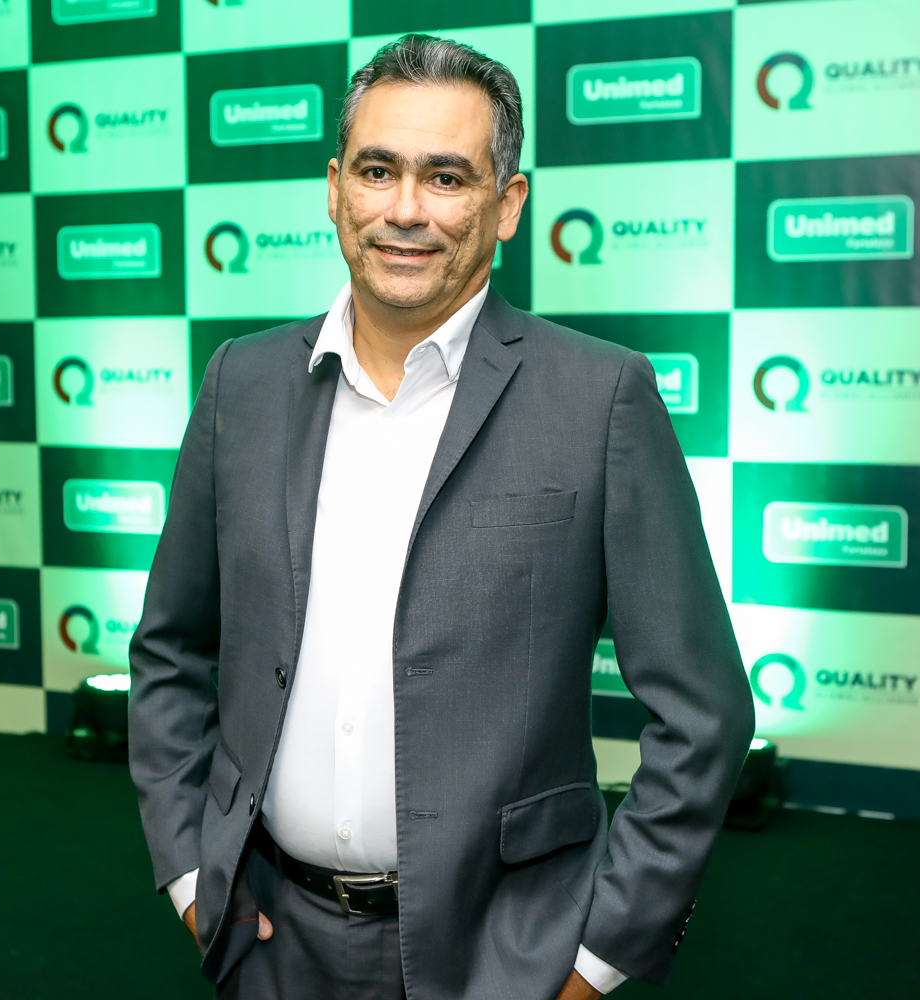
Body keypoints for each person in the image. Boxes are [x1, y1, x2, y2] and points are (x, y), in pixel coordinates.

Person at [129, 34, 754, 1000]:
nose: (405, 210)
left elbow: (703, 714)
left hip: (505, 956)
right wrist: (188, 875)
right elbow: (169, 651)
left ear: (507, 205)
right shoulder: (239, 385)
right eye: (377, 170)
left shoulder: (601, 400)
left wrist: (595, 959)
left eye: (447, 177)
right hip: (268, 943)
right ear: (334, 187)